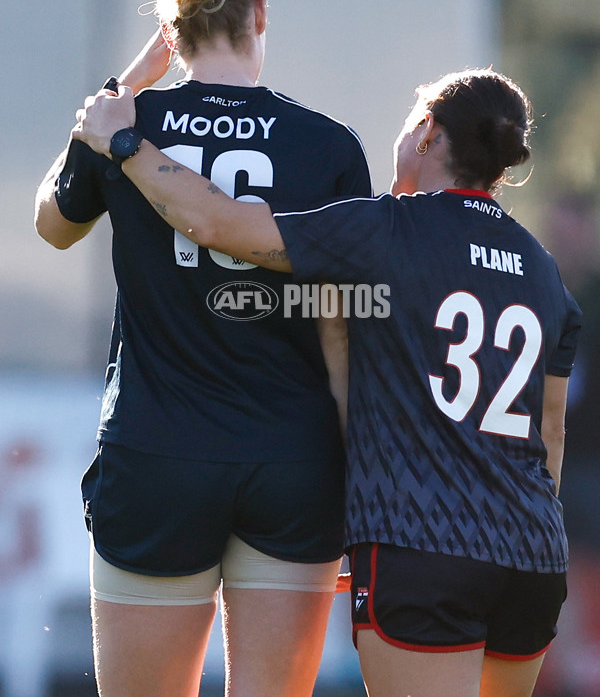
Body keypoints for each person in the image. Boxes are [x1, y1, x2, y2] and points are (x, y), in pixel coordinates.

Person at [71, 66, 581, 697]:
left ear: (426, 134)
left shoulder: (385, 230)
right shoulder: (542, 268)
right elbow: (550, 431)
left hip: (423, 550)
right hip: (531, 556)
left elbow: (218, 225)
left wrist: (124, 142)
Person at [34, 0, 372, 697]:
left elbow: (51, 225)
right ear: (260, 13)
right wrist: (360, 467)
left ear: (170, 28)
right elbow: (340, 323)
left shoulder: (128, 124)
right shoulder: (326, 144)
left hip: (159, 449)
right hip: (293, 456)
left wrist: (122, 89)